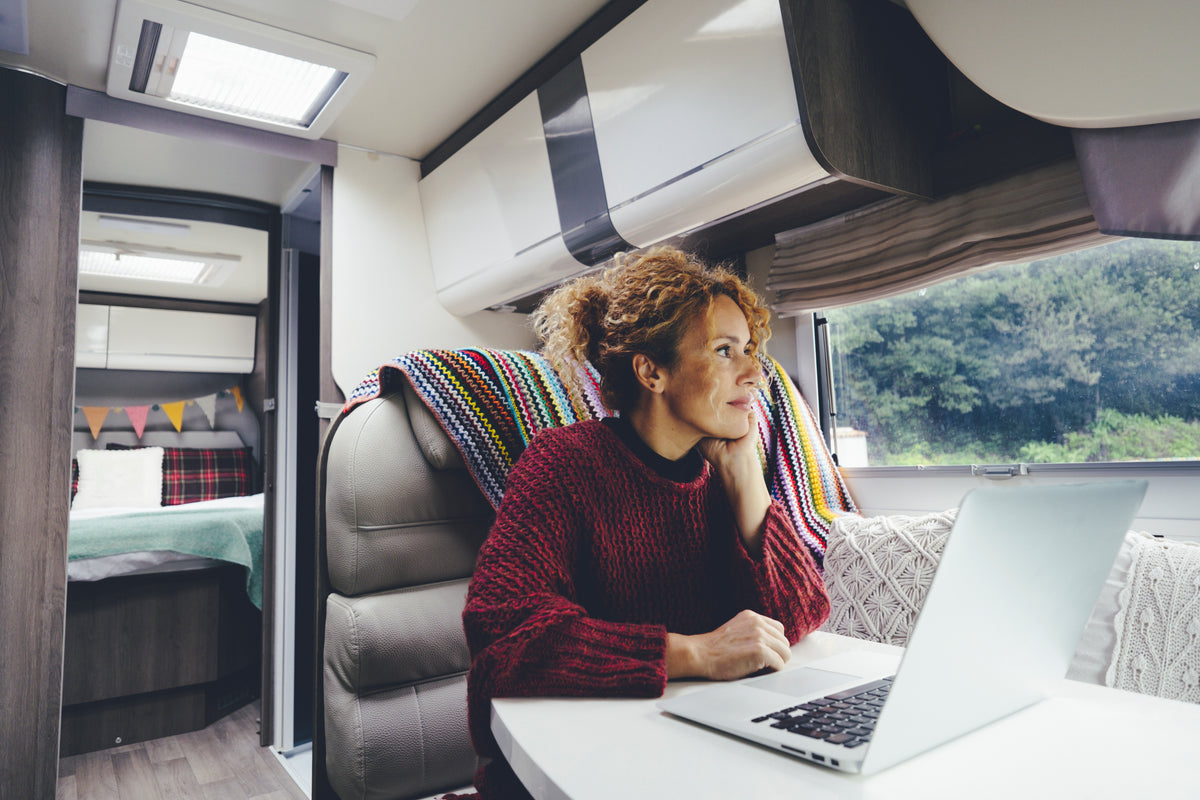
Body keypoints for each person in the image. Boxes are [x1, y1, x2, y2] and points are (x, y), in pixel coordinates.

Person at [458, 246, 830, 799]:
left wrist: (743, 472)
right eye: (725, 351)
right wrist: (693, 653)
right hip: (573, 771)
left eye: (750, 350)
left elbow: (800, 615)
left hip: (689, 762)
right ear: (652, 371)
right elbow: (503, 636)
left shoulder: (721, 474)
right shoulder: (563, 463)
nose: (755, 372)